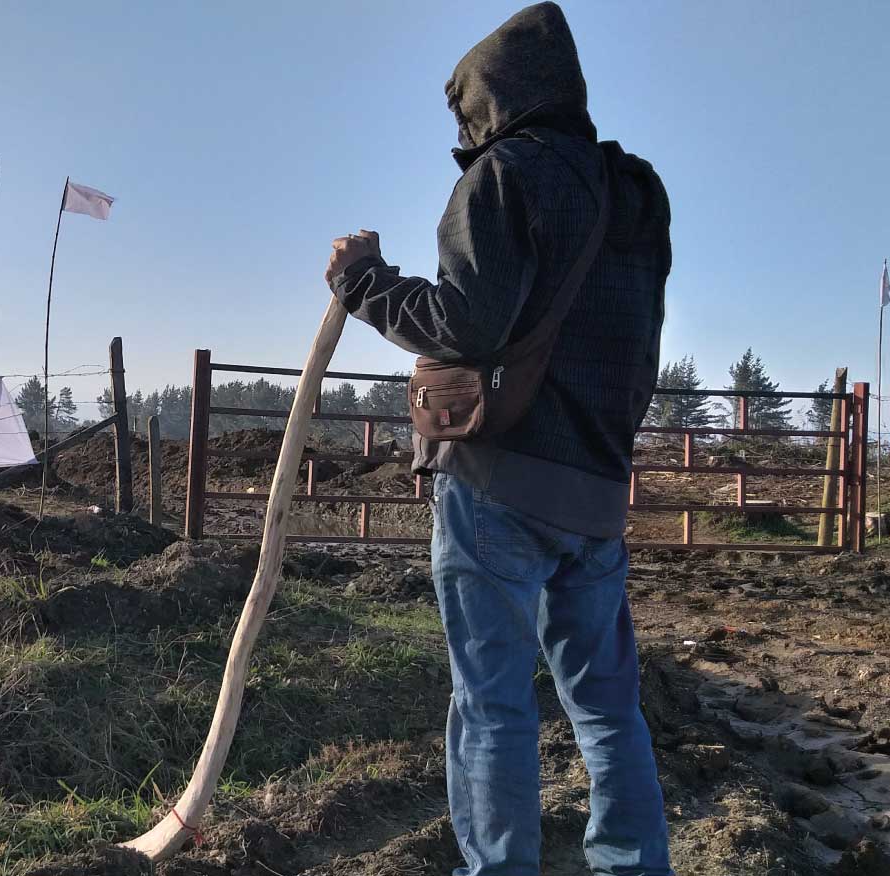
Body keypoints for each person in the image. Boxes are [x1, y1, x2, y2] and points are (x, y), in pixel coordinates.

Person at [323, 3, 674, 875]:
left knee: (492, 707)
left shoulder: (504, 176)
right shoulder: (635, 191)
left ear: (491, 99)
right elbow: (640, 340)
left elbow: (465, 324)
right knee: (606, 708)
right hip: (595, 489)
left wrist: (366, 281)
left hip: (497, 486)